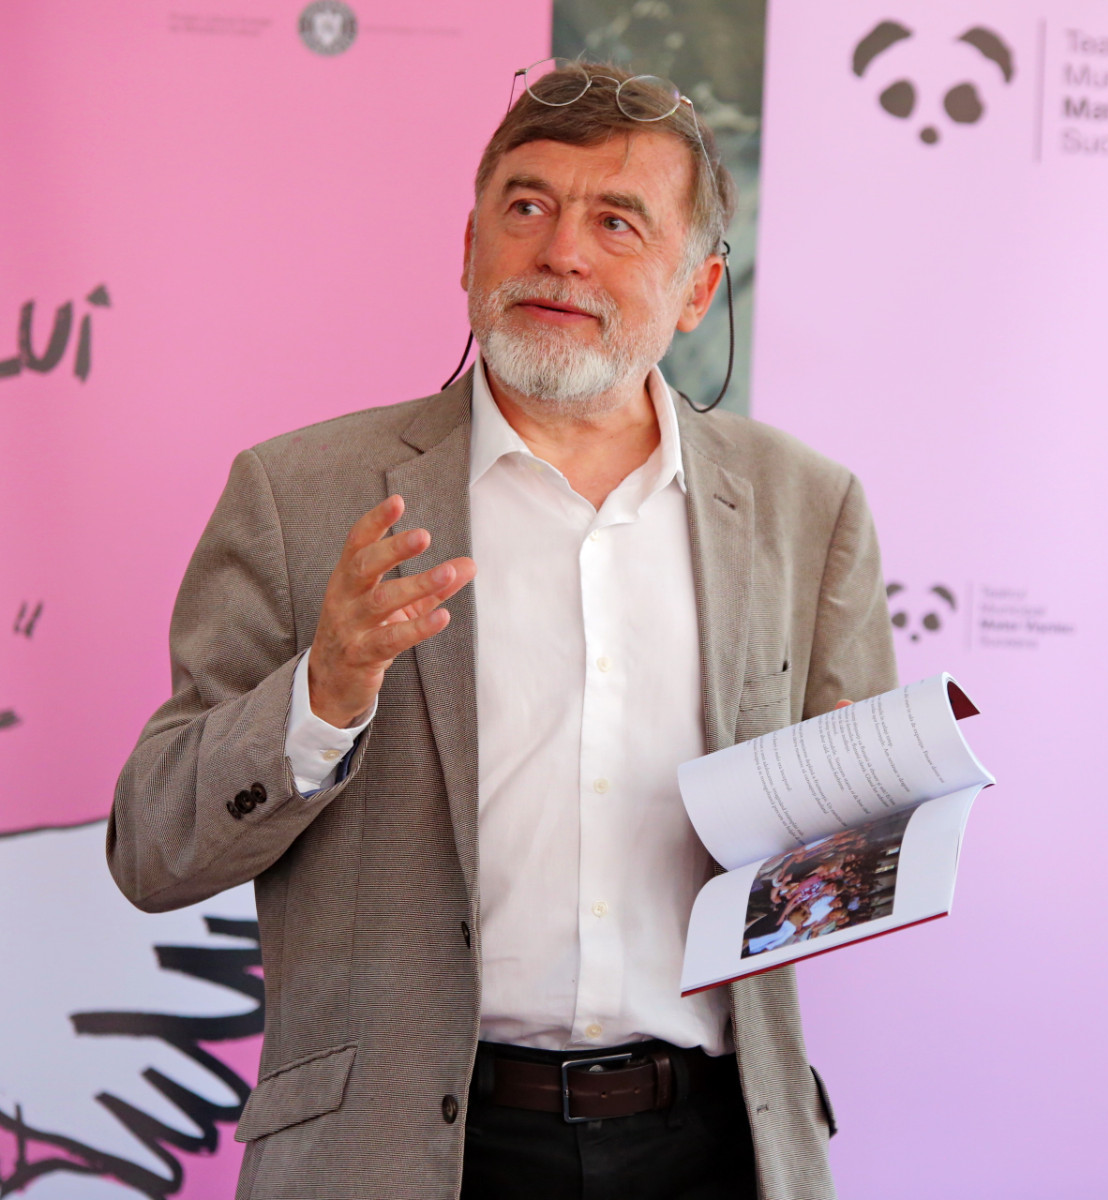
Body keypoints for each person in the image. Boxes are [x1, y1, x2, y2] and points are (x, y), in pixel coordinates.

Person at [108, 60, 896, 1200]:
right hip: (399, 1153)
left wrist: (864, 831)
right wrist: (323, 694)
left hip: (716, 1145)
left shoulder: (805, 508)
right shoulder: (301, 496)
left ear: (698, 288)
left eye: (617, 221)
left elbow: (843, 870)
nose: (561, 252)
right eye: (527, 207)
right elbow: (152, 849)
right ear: (470, 248)